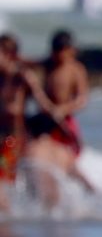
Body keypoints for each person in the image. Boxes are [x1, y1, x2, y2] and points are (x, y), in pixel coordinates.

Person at [0, 33, 60, 212]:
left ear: (8, 55)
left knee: (7, 178)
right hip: (2, 135)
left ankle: (11, 218)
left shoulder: (22, 76)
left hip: (15, 136)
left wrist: (60, 126)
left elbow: (44, 104)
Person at [21, 113, 95, 210]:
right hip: (63, 201)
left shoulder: (32, 149)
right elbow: (84, 181)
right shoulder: (64, 152)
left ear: (30, 131)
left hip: (43, 198)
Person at [41, 29, 89, 158]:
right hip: (45, 119)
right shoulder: (47, 65)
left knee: (71, 154)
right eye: (56, 51)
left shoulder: (75, 69)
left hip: (64, 119)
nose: (58, 55)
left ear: (70, 50)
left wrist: (62, 110)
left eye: (62, 51)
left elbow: (82, 99)